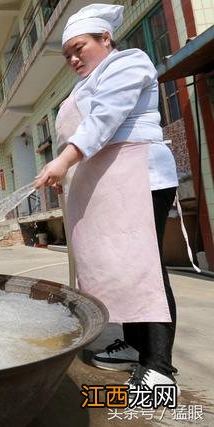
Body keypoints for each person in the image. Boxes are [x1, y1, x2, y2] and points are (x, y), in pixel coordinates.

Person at [34, 4, 181, 393]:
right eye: (67, 55)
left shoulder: (128, 64)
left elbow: (105, 120)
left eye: (79, 48)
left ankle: (159, 366)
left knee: (142, 267)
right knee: (118, 267)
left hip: (139, 177)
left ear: (105, 38)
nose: (73, 58)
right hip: (105, 184)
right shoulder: (83, 85)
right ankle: (135, 347)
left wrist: (62, 162)